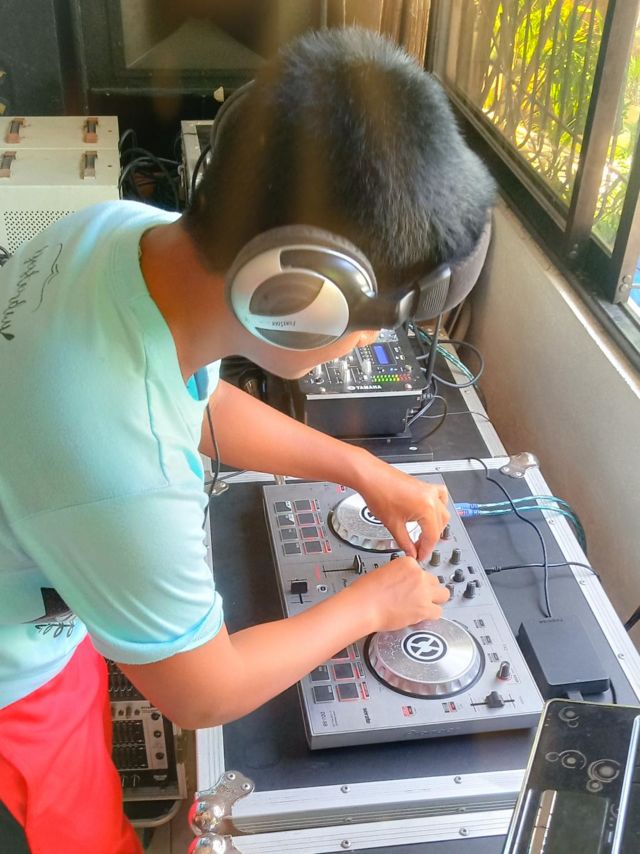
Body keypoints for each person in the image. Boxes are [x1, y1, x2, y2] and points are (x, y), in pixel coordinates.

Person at [0, 27, 495, 854]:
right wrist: (371, 605)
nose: (367, 345)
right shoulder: (121, 471)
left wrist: (355, 466)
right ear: (297, 294)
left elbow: (193, 400)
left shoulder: (117, 233)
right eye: (366, 325)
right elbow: (201, 694)